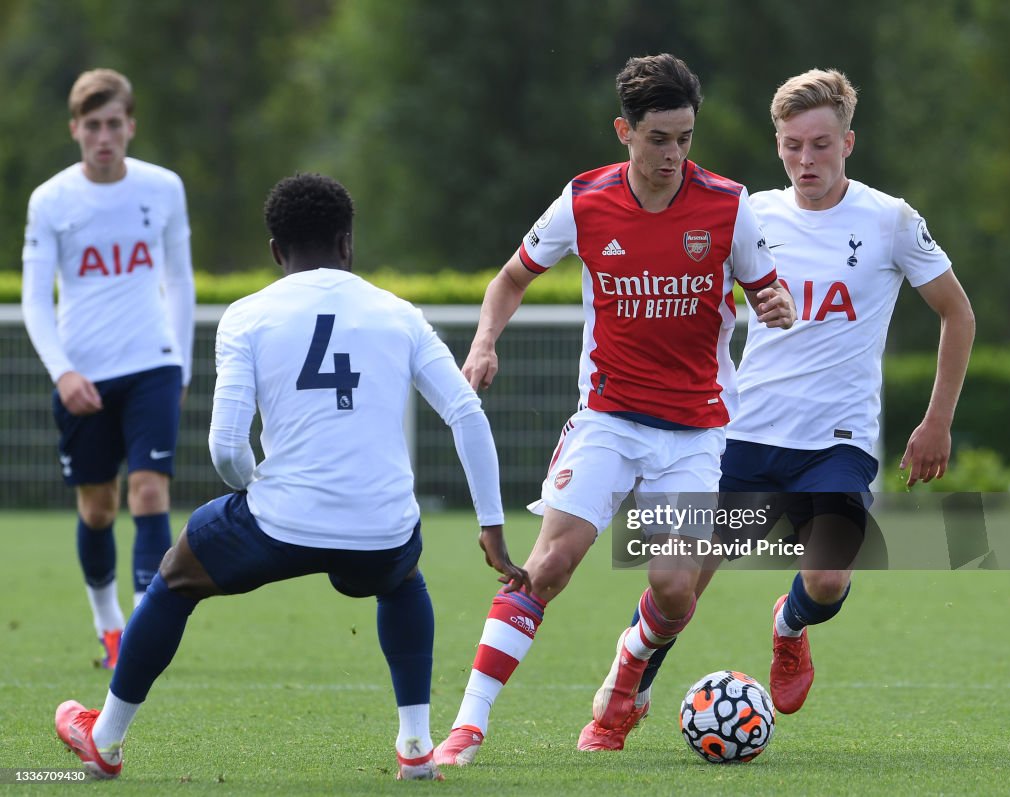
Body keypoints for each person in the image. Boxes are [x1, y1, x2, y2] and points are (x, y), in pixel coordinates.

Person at [52, 173, 529, 782]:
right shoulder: (398, 313)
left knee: (174, 577)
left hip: (277, 522)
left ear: (276, 251)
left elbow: (226, 448)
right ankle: (415, 747)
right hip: (381, 527)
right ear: (347, 243)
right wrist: (491, 523)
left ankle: (105, 740)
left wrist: (258, 492)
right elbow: (466, 412)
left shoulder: (247, 315)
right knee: (403, 580)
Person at [585, 68, 976, 750]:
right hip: (741, 437)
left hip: (838, 441)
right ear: (777, 143)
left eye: (820, 144)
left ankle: (789, 628)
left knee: (826, 578)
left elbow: (957, 312)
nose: (806, 161)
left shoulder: (891, 220)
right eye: (792, 145)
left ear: (848, 142)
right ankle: (624, 694)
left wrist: (936, 419)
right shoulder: (748, 213)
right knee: (681, 586)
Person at [434, 53, 796, 766]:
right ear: (623, 132)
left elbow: (767, 292)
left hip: (697, 433)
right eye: (659, 138)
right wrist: (482, 344)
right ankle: (467, 724)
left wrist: (776, 306)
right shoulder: (584, 200)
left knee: (673, 589)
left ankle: (627, 675)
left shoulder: (728, 205)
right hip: (609, 416)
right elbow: (510, 279)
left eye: (685, 138)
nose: (673, 155)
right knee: (549, 564)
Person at [21, 68, 195, 669]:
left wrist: (182, 365)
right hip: (82, 375)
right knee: (98, 506)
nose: (104, 136)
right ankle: (109, 625)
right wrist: (62, 372)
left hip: (153, 365)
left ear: (130, 126)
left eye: (114, 124)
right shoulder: (50, 200)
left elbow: (180, 279)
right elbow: (34, 299)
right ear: (75, 129)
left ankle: (144, 629)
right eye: (92, 125)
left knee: (149, 490)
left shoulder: (163, 188)